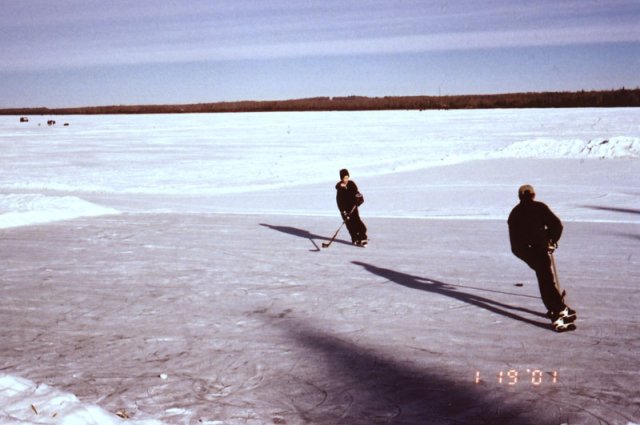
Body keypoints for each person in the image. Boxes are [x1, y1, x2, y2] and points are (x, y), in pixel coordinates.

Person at [508, 184, 577, 332]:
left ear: (520, 196)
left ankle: (560, 307)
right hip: (537, 249)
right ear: (533, 195)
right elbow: (557, 225)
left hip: (522, 250)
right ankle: (556, 313)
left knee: (545, 276)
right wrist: (551, 240)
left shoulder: (514, 212)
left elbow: (515, 242)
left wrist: (544, 243)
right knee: (545, 278)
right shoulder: (539, 207)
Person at [335, 168, 368, 246]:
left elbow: (357, 194)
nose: (346, 179)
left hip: (353, 208)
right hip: (345, 211)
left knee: (359, 224)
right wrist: (344, 212)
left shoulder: (351, 184)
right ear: (341, 178)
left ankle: (362, 238)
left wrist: (359, 200)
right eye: (344, 178)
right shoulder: (340, 189)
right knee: (350, 226)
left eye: (347, 177)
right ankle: (355, 239)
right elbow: (339, 201)